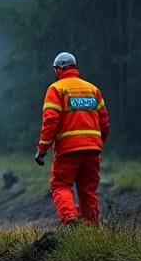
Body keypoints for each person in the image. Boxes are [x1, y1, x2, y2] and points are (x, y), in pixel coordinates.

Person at [34, 52, 109, 226]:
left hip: (68, 149)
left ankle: (70, 221)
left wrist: (42, 149)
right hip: (92, 150)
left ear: (58, 69)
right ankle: (91, 230)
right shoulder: (93, 90)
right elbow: (104, 123)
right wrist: (97, 144)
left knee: (60, 185)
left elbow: (51, 122)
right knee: (88, 190)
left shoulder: (56, 89)